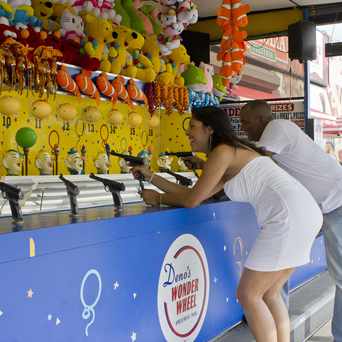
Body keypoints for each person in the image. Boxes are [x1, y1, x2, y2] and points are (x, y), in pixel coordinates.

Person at [132, 106, 322, 342]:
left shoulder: (223, 152)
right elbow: (195, 194)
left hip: (288, 217)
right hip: (303, 213)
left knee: (248, 295)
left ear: (209, 129)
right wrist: (151, 176)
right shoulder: (231, 153)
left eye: (192, 127)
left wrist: (158, 198)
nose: (188, 133)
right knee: (270, 293)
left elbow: (191, 200)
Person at [239, 100, 342, 342]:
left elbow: (255, 160)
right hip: (317, 208)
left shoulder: (278, 127)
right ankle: (267, 309)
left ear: (263, 119)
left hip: (336, 203)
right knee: (280, 255)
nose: (243, 127)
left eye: (246, 121)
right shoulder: (277, 135)